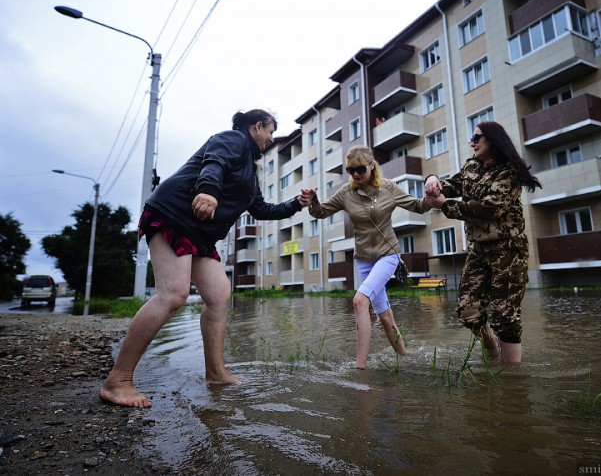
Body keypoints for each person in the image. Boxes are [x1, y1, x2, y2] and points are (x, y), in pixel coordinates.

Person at [99, 109, 314, 408]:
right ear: (257, 126)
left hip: (200, 233)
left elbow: (262, 210)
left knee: (218, 294)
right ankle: (118, 381)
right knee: (173, 294)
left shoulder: (250, 174)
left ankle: (216, 373)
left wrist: (296, 204)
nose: (270, 139)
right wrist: (209, 192)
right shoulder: (231, 140)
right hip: (175, 214)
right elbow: (214, 164)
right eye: (270, 131)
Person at [424, 121, 541, 364]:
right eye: (471, 137)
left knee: (505, 315)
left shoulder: (508, 172)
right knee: (467, 311)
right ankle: (492, 348)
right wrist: (433, 180)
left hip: (508, 250)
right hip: (478, 250)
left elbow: (488, 209)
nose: (472, 142)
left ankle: (512, 378)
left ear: (493, 140)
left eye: (477, 137)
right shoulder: (471, 166)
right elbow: (453, 184)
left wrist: (445, 205)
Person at [308, 145, 432, 368]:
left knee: (359, 300)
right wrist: (313, 201)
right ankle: (406, 357)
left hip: (388, 255)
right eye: (350, 169)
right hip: (363, 259)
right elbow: (320, 212)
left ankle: (359, 368)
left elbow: (418, 206)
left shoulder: (388, 188)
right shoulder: (346, 193)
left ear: (372, 166)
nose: (355, 174)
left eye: (360, 169)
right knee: (385, 317)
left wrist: (432, 196)